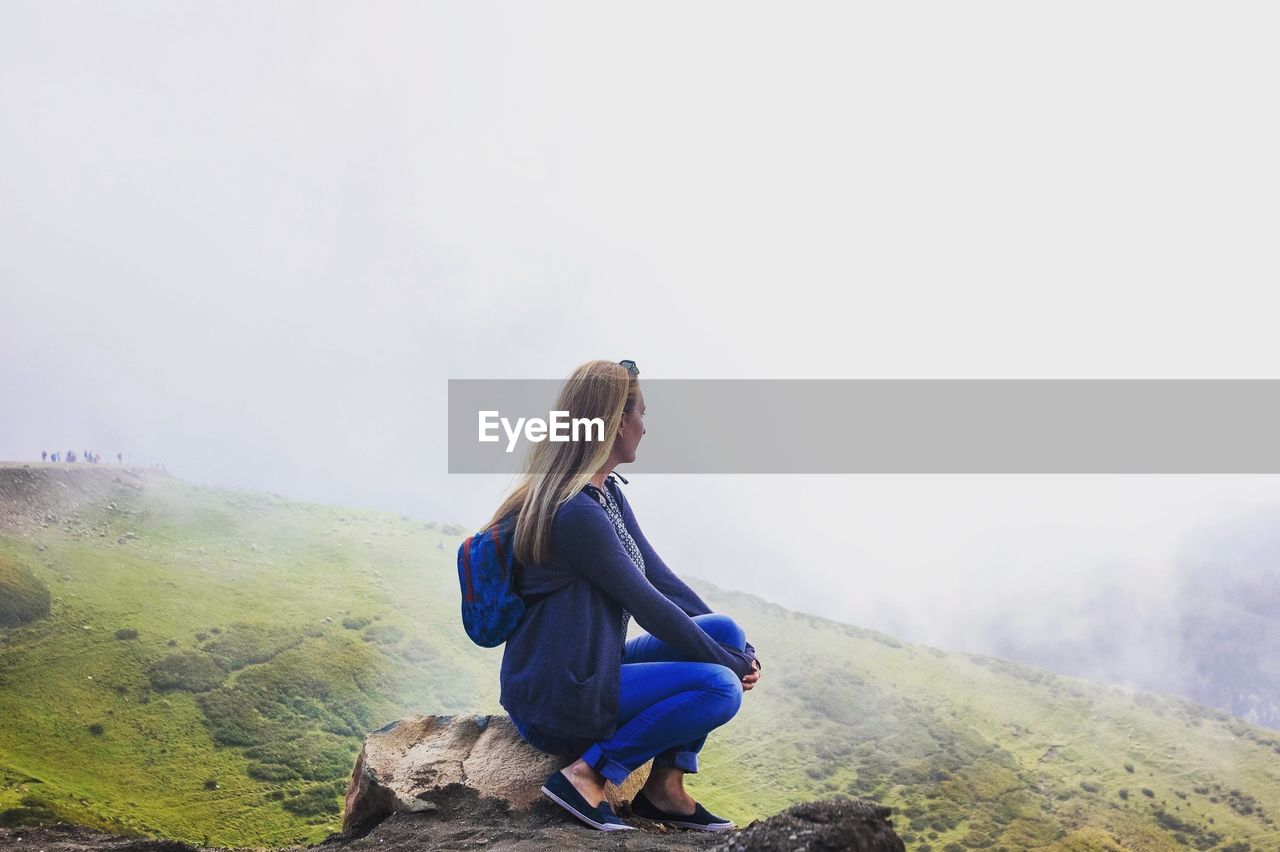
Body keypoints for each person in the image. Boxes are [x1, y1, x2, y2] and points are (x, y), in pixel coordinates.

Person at [490, 359, 763, 834]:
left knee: (724, 630)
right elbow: (649, 607)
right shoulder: (575, 512)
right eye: (641, 414)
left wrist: (740, 651)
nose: (645, 427)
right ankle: (586, 775)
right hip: (560, 694)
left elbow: (661, 580)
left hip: (591, 666)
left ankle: (664, 792)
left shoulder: (605, 494)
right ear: (616, 423)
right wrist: (729, 665)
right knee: (718, 686)